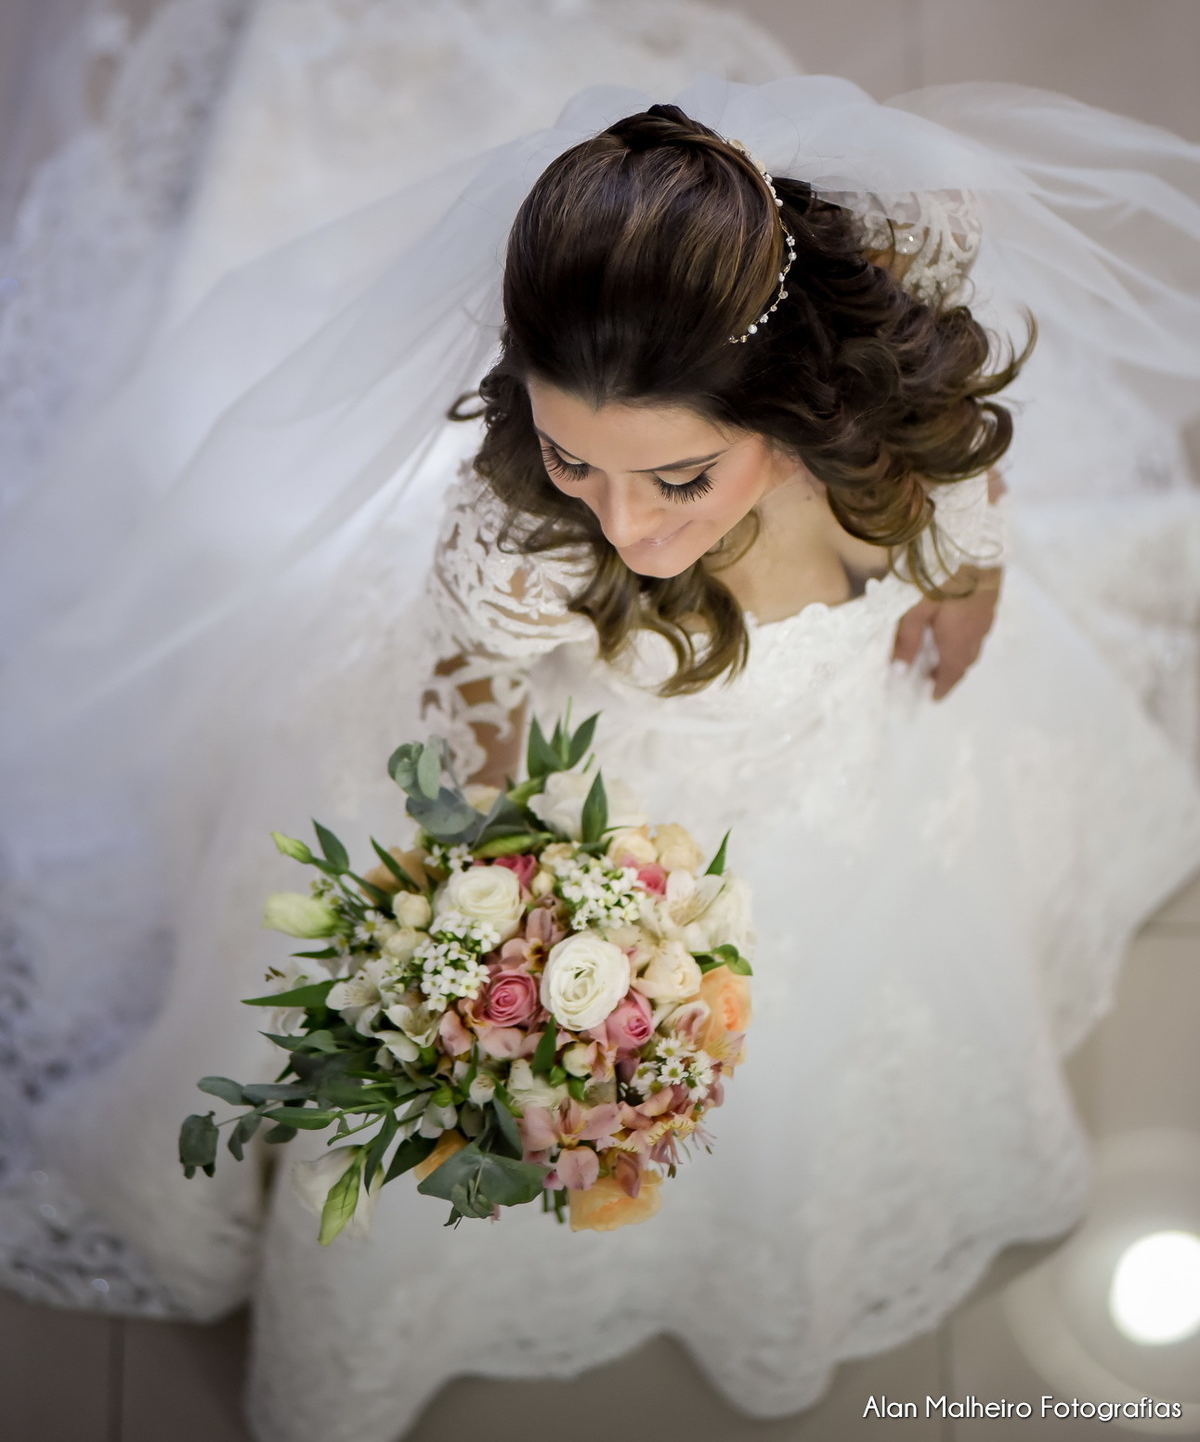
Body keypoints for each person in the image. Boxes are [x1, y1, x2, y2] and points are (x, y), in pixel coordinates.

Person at [1, 77, 1198, 1442]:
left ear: (795, 406)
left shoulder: (879, 417)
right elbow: (466, 714)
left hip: (847, 761)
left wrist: (968, 575)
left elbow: (958, 466)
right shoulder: (524, 534)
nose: (623, 524)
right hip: (607, 796)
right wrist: (517, 880)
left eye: (677, 478)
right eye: (575, 458)